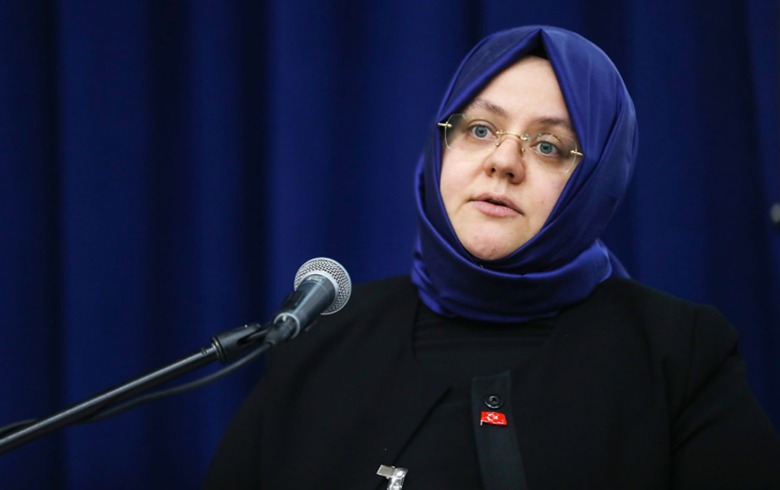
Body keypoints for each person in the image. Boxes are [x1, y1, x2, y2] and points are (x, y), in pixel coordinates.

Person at [204, 25, 780, 489]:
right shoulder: (319, 339)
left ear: (598, 181)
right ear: (441, 147)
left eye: (549, 146)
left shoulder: (677, 354)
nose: (504, 161)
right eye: (480, 129)